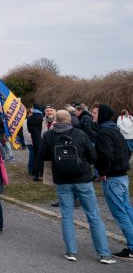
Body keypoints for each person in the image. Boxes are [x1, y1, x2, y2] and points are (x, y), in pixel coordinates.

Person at [41, 110, 116, 264]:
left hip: (62, 180)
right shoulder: (80, 134)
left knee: (67, 216)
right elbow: (93, 156)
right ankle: (104, 254)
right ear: (70, 120)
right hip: (83, 179)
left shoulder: (49, 135)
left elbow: (43, 156)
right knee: (93, 216)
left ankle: (71, 252)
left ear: (55, 120)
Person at [93, 104, 133, 260]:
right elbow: (127, 151)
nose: (92, 114)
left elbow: (105, 155)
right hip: (122, 176)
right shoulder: (115, 129)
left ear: (102, 113)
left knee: (120, 213)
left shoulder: (104, 132)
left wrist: (103, 172)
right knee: (126, 209)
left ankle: (131, 248)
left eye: (95, 112)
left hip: (113, 177)